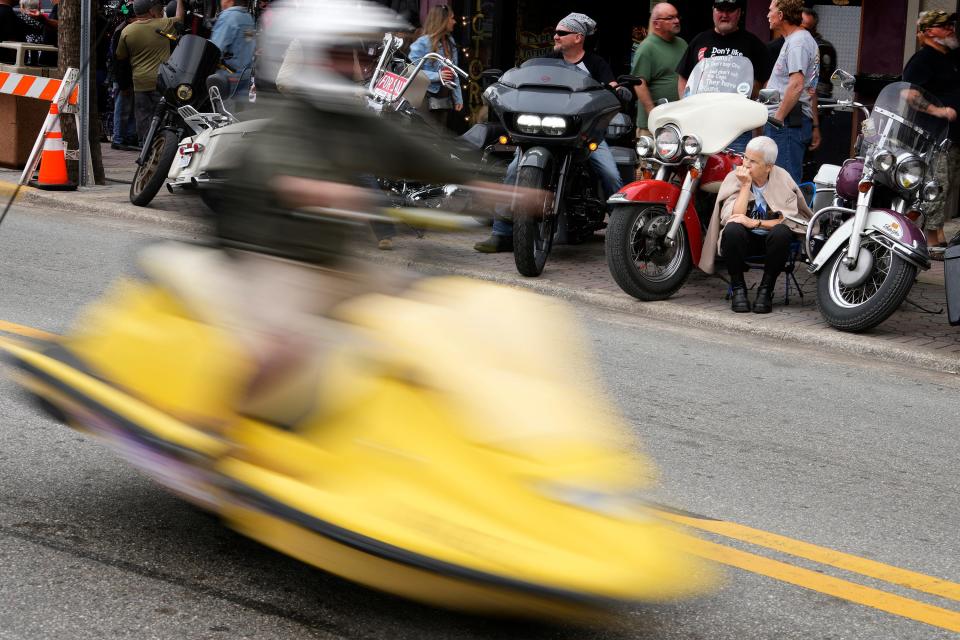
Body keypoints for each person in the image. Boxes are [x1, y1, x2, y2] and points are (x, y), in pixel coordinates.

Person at [473, 11, 623, 253]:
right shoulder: (545, 62)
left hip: (582, 135)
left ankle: (620, 236)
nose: (555, 36)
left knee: (609, 173)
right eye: (556, 32)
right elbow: (522, 80)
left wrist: (618, 91)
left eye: (561, 33)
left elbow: (612, 87)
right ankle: (501, 233)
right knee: (513, 170)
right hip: (540, 131)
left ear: (578, 37)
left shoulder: (596, 63)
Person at [698, 136, 812, 313]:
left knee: (782, 232)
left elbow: (790, 220)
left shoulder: (782, 178)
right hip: (745, 243)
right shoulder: (735, 177)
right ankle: (738, 289)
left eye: (753, 161)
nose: (746, 164)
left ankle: (766, 290)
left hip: (773, 245)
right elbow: (733, 217)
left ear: (768, 167)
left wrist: (756, 222)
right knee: (733, 229)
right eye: (745, 158)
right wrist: (745, 185)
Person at [902, 9, 960, 256]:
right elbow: (909, 93)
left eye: (950, 24)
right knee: (936, 184)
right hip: (934, 137)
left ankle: (937, 236)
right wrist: (937, 110)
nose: (950, 28)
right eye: (943, 25)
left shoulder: (952, 56)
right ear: (928, 33)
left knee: (945, 188)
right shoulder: (923, 59)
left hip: (953, 136)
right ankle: (930, 239)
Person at [675, 0, 768, 152]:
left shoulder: (752, 43)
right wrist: (686, 107)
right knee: (696, 172)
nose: (724, 15)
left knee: (735, 173)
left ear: (739, 12)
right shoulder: (700, 40)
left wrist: (757, 120)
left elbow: (766, 82)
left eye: (730, 10)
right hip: (701, 125)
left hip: (738, 128)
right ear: (713, 11)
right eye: (720, 9)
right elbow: (683, 78)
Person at [763, 0, 820, 184]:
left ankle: (786, 214)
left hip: (786, 122)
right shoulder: (795, 40)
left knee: (783, 182)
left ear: (781, 15)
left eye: (770, 11)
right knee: (775, 181)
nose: (767, 15)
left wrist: (777, 119)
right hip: (785, 121)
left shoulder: (798, 42)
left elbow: (796, 85)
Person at [115, 0, 184, 143]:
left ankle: (144, 144)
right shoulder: (162, 24)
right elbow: (180, 18)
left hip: (140, 81)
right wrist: (180, 1)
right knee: (161, 114)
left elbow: (120, 56)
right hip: (160, 80)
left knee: (142, 115)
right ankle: (160, 143)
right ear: (151, 11)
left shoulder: (127, 31)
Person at [631, 2, 686, 138]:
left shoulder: (682, 44)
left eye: (677, 17)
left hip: (679, 123)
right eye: (670, 18)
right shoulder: (647, 48)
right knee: (653, 160)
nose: (676, 21)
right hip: (653, 127)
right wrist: (654, 114)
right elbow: (639, 83)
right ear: (656, 24)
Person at [408, 4, 463, 132]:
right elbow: (411, 70)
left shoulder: (451, 42)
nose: (454, 22)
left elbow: (454, 71)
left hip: (444, 99)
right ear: (443, 21)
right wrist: (437, 76)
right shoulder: (422, 42)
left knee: (440, 136)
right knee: (427, 136)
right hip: (425, 98)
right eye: (452, 18)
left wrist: (458, 97)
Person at [209, 0, 256, 108]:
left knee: (225, 116)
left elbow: (215, 49)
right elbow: (249, 43)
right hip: (246, 75)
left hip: (228, 77)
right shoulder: (247, 17)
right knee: (243, 115)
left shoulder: (227, 17)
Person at [109, 14, 139, 150]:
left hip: (127, 77)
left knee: (129, 108)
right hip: (123, 77)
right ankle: (119, 138)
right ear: (132, 18)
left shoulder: (125, 30)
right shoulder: (122, 32)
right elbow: (119, 60)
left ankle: (127, 136)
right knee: (122, 109)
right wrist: (123, 83)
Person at [801, 8, 836, 100]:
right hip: (819, 92)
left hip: (812, 94)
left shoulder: (820, 46)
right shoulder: (826, 46)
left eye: (805, 28)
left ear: (814, 28)